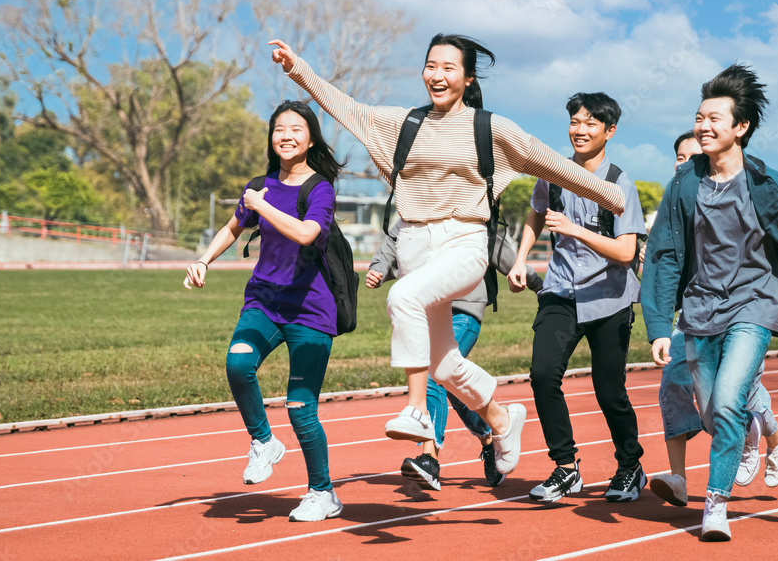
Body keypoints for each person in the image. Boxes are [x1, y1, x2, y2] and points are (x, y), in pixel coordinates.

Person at [270, 34, 625, 479]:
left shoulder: (490, 128)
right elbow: (345, 107)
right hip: (414, 243)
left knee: (403, 299)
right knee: (443, 362)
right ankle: (500, 419)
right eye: (430, 66)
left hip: (463, 241)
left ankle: (417, 411)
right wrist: (296, 68)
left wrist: (610, 196)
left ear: (468, 77)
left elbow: (550, 161)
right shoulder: (401, 124)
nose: (437, 76)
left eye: (448, 68)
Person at [642, 64, 778, 541]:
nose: (704, 126)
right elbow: (665, 255)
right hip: (699, 309)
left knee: (732, 398)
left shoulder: (768, 185)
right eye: (700, 117)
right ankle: (754, 432)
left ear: (741, 128)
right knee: (716, 412)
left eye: (716, 118)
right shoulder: (685, 185)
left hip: (755, 304)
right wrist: (658, 323)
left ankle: (714, 508)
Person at [183, 100, 346, 522]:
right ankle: (263, 441)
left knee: (300, 405)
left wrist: (261, 205)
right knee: (237, 364)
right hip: (264, 301)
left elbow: (307, 234)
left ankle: (322, 492)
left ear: (311, 138)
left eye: (295, 129)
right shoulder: (260, 185)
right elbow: (233, 227)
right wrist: (204, 260)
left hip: (310, 309)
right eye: (278, 129)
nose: (286, 136)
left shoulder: (320, 188)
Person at [509, 92, 647, 504]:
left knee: (609, 390)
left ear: (610, 131)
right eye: (575, 121)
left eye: (590, 123)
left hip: (610, 298)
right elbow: (537, 212)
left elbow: (626, 252)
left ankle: (630, 466)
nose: (580, 130)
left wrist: (576, 230)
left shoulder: (619, 182)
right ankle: (566, 468)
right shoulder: (553, 172)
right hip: (560, 291)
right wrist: (520, 258)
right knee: (542, 374)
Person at [649, 132, 778, 508]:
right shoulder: (677, 200)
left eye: (692, 155)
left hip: (742, 308)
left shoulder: (731, 197)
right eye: (679, 155)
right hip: (692, 313)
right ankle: (678, 477)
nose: (685, 162)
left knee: (735, 390)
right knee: (673, 382)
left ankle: (769, 433)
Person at [368, 222, 542, 490]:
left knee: (434, 374)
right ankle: (490, 432)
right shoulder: (420, 200)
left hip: (464, 309)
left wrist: (537, 283)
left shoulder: (470, 205)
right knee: (449, 378)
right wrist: (378, 268)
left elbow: (498, 249)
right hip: (427, 303)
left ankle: (429, 459)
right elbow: (398, 236)